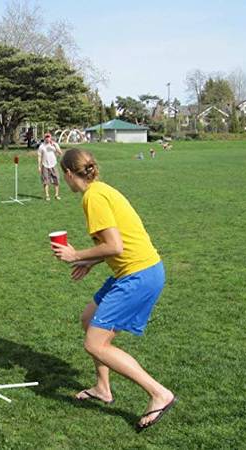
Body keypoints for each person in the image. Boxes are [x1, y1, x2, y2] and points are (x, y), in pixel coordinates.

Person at [51, 148, 176, 431]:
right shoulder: (101, 189)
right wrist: (92, 262)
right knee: (88, 319)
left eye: (64, 175)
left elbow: (115, 245)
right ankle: (102, 389)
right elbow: (119, 243)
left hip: (139, 275)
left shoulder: (92, 198)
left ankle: (159, 393)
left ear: (69, 174)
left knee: (95, 344)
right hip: (134, 271)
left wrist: (76, 255)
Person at [37, 132, 63, 201]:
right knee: (46, 181)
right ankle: (47, 195)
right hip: (45, 165)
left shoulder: (55, 144)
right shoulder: (41, 146)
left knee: (56, 179)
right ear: (44, 138)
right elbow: (39, 156)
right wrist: (39, 166)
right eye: (46, 137)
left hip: (53, 164)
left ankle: (56, 195)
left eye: (48, 137)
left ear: (50, 137)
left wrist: (54, 146)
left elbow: (60, 153)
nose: (47, 138)